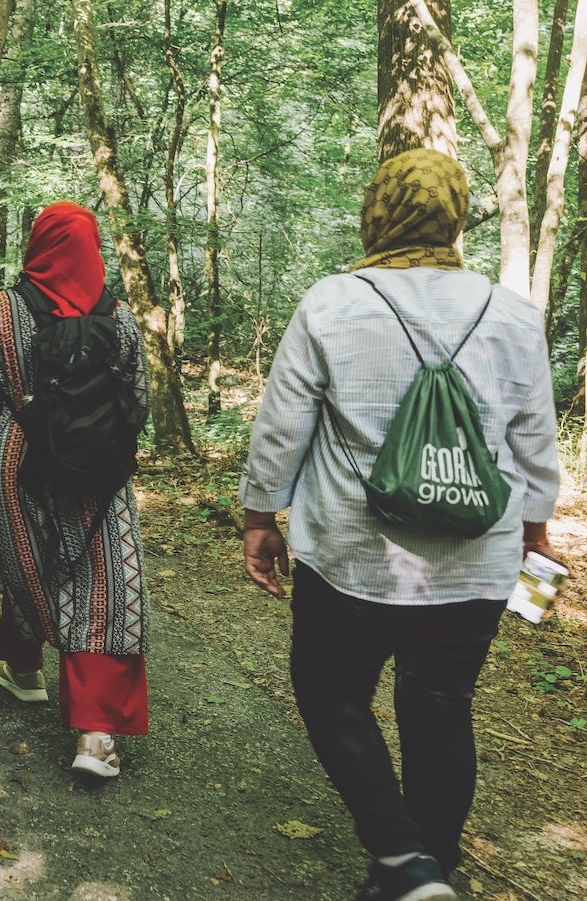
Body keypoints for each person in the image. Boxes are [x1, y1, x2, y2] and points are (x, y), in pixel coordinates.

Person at [240, 148, 558, 901]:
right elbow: (535, 441)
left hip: (353, 555)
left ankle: (401, 859)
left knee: (330, 692)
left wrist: (261, 515)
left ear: (374, 212)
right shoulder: (512, 313)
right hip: (475, 559)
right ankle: (429, 869)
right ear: (456, 215)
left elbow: (282, 429)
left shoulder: (332, 303)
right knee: (441, 703)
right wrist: (534, 531)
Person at [0, 202, 150, 779]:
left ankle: (25, 666)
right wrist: (106, 440)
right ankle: (96, 735)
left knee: (30, 563)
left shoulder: (2, 312)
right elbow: (139, 400)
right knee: (103, 580)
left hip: (17, 457)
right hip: (100, 469)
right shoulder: (122, 316)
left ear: (37, 245)